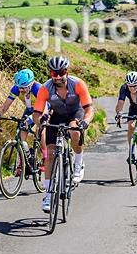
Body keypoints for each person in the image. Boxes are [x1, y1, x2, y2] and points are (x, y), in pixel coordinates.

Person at [32, 55, 95, 213]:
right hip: (57, 115)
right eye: (54, 74)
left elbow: (89, 109)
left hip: (76, 112)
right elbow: (36, 114)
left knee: (74, 131)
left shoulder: (78, 84)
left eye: (61, 72)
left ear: (67, 72)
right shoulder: (45, 89)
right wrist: (41, 121)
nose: (58, 77)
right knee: (51, 153)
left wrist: (86, 121)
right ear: (50, 74)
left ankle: (79, 163)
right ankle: (48, 194)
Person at [0, 69, 47, 170]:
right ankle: (23, 159)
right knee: (22, 130)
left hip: (43, 110)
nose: (21, 90)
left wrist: (32, 119)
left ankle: (45, 157)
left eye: (23, 87)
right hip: (30, 109)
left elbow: (44, 109)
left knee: (40, 131)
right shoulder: (16, 89)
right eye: (19, 87)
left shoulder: (38, 89)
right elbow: (6, 105)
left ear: (31, 84)